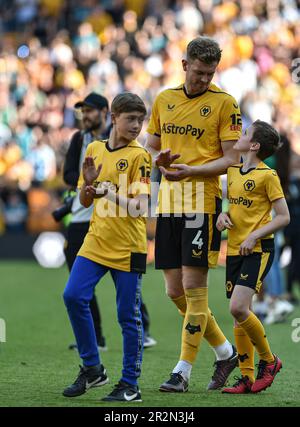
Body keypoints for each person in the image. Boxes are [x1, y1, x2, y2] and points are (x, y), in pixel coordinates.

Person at [145, 36, 241, 392]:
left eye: (210, 73)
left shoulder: (225, 104)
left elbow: (232, 158)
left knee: (194, 289)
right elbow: (152, 145)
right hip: (169, 202)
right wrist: (159, 161)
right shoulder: (164, 100)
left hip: (202, 201)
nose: (203, 79)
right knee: (174, 291)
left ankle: (182, 371)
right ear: (184, 65)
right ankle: (225, 351)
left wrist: (192, 171)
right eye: (199, 72)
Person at [62, 92, 151, 402]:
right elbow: (84, 200)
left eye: (141, 119)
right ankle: (92, 368)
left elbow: (140, 208)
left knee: (128, 316)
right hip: (96, 240)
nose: (137, 125)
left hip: (128, 246)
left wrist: (105, 192)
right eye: (131, 119)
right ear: (114, 118)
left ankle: (130, 385)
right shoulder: (93, 149)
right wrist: (88, 187)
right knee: (72, 295)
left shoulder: (140, 156)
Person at [216, 120, 290, 394]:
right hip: (235, 249)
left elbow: (284, 217)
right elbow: (232, 206)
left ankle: (269, 361)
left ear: (255, 145)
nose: (240, 134)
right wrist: (223, 216)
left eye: (245, 133)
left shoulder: (267, 176)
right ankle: (247, 377)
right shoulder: (233, 171)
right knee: (238, 317)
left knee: (238, 308)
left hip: (257, 250)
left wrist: (254, 235)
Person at [63, 92, 109, 351]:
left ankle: (143, 329)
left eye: (90, 110)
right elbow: (68, 174)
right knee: (78, 282)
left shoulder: (116, 137)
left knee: (122, 280)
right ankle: (96, 337)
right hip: (81, 215)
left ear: (104, 112)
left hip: (108, 216)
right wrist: (87, 181)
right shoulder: (78, 138)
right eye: (84, 111)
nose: (86, 115)